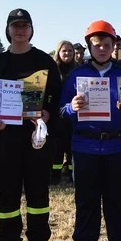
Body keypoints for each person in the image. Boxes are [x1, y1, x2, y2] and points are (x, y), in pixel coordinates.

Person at [0, 8, 62, 241]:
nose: (20, 30)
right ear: (8, 29)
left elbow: (56, 98)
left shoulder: (44, 61)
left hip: (35, 138)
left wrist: (47, 115)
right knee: (7, 195)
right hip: (5, 139)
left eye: (25, 25)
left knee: (38, 194)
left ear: (31, 29)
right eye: (15, 25)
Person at [59, 20, 121, 241]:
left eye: (107, 44)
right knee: (86, 198)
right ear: (89, 46)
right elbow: (62, 110)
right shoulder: (77, 75)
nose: (102, 49)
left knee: (117, 198)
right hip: (85, 145)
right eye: (97, 45)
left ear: (114, 45)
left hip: (117, 146)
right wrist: (72, 108)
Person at [51, 40, 78, 183]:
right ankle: (55, 175)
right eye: (64, 51)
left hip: (75, 114)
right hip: (57, 114)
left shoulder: (78, 69)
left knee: (71, 146)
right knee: (57, 146)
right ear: (58, 53)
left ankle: (71, 173)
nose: (67, 53)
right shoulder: (53, 70)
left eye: (70, 51)